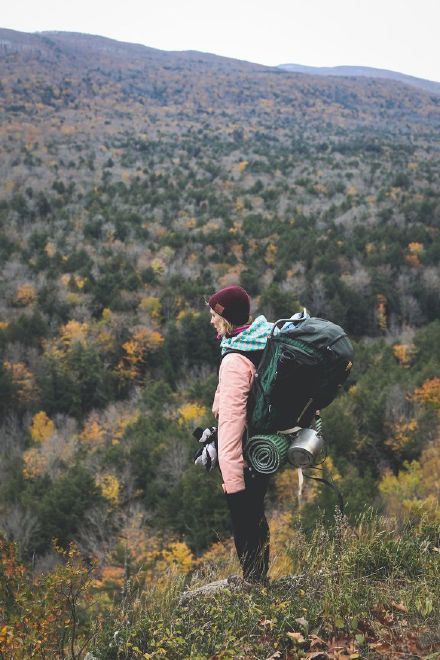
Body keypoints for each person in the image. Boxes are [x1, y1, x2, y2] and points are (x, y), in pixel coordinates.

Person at [206, 285, 273, 584]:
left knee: (245, 520)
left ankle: (254, 586)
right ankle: (260, 580)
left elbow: (231, 430)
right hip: (265, 449)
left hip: (244, 459)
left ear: (228, 319)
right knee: (258, 516)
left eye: (214, 316)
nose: (211, 321)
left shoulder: (234, 361)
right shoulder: (262, 339)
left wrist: (233, 485)